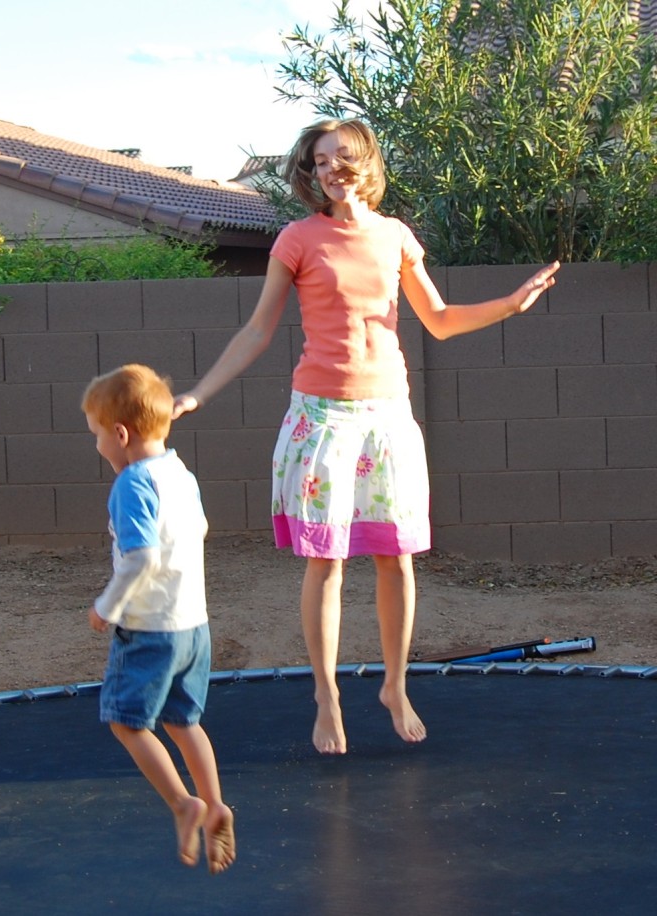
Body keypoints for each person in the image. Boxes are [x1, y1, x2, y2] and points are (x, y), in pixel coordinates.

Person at [173, 118, 560, 756]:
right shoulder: (298, 240)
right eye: (319, 160)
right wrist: (198, 392)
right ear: (311, 173)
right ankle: (326, 694)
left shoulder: (395, 236)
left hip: (387, 416)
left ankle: (395, 685)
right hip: (322, 418)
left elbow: (435, 319)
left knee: (396, 557)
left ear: (365, 162)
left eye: (341, 156)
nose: (330, 168)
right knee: (326, 561)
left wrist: (509, 305)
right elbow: (257, 331)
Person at [82, 363, 236, 874]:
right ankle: (214, 802)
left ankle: (181, 802)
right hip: (194, 624)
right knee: (184, 720)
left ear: (121, 434)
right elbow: (201, 528)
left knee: (126, 723)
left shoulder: (131, 483)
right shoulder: (179, 472)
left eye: (98, 436)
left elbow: (140, 557)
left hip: (149, 630)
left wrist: (109, 606)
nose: (99, 445)